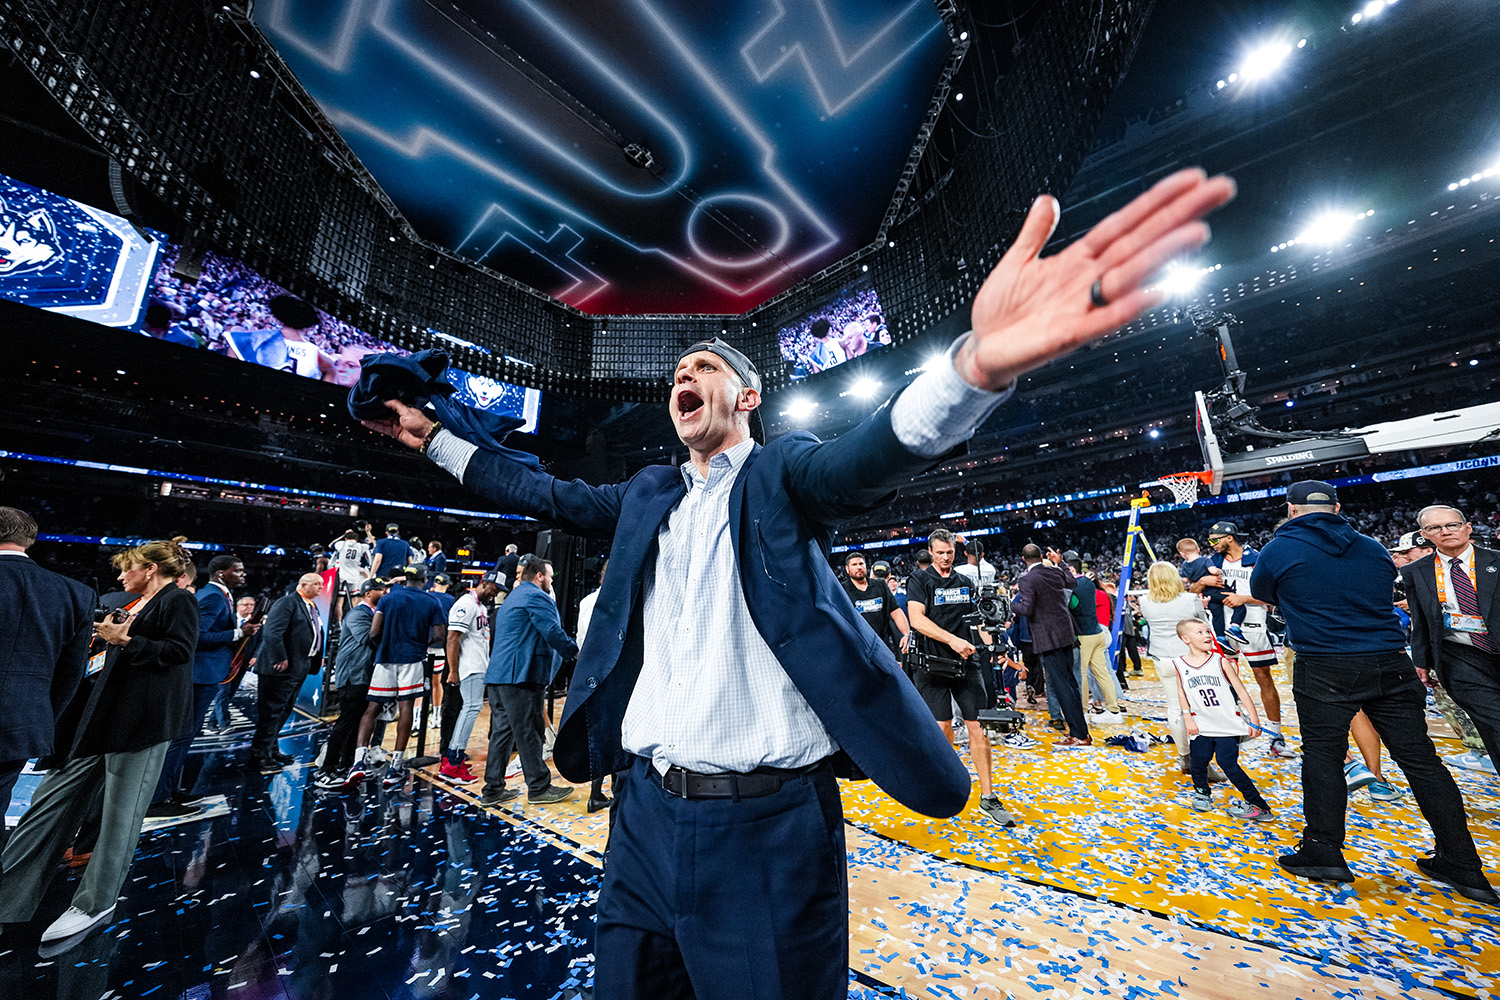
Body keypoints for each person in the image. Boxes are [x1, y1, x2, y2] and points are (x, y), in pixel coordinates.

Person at [360, 168, 1235, 996]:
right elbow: (535, 486)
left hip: (766, 832)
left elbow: (864, 459)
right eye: (678, 374)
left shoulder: (782, 476)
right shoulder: (647, 495)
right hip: (641, 825)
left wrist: (974, 370)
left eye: (705, 368)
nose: (684, 378)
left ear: (747, 399)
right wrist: (432, 437)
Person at [1251, 481, 1496, 904]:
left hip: (1325, 662)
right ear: (1338, 507)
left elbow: (1262, 592)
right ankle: (1463, 863)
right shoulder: (1371, 547)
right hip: (1389, 661)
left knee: (1323, 755)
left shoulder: (1278, 549)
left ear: (1291, 510)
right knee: (1422, 761)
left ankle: (1324, 850)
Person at [0, 537, 198, 944]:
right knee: (48, 805)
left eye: (129, 568)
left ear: (151, 569)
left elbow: (179, 652)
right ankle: (8, 898)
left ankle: (96, 902)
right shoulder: (130, 604)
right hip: (98, 718)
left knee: (120, 819)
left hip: (142, 723)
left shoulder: (177, 601)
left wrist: (123, 641)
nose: (122, 575)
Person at [0, 507, 94, 825]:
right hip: (23, 722)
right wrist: (41, 716)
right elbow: (71, 673)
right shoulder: (76, 593)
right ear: (28, 540)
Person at [149, 554, 259, 816]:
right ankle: (157, 799)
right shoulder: (212, 595)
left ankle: (169, 791)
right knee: (181, 737)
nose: (243, 575)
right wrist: (238, 633)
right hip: (200, 674)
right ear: (221, 573)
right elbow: (197, 636)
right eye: (239, 570)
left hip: (205, 673)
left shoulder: (219, 595)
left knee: (185, 737)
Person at [1403, 504, 1500, 783]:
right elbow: (1419, 618)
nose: (1445, 531)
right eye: (1435, 528)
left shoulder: (1496, 560)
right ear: (1425, 535)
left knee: (1492, 730)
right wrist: (1421, 660)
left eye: (1452, 525)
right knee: (1493, 721)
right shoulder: (1416, 571)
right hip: (1461, 656)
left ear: (1467, 527)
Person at [906, 529, 1001, 813]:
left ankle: (988, 796)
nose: (946, 557)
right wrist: (952, 640)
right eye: (940, 553)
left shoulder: (964, 582)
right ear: (931, 552)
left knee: (978, 727)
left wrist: (994, 642)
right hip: (933, 662)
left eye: (949, 552)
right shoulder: (919, 579)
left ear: (955, 552)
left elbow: (977, 621)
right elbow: (916, 620)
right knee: (943, 727)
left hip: (966, 661)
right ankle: (945, 786)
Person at [479, 555, 577, 806]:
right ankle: (539, 787)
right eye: (550, 577)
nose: (552, 581)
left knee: (502, 734)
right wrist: (576, 653)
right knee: (529, 731)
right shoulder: (535, 596)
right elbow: (552, 631)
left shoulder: (514, 596)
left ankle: (493, 789)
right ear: (539, 576)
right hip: (520, 676)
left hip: (500, 676)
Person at [1194, 522, 1295, 758]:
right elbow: (1190, 592)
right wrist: (1202, 583)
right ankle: (1232, 732)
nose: (1212, 544)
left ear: (1229, 538)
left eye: (1214, 539)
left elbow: (1277, 595)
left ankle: (1276, 736)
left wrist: (1244, 598)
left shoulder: (1258, 558)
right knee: (1224, 680)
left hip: (1252, 625)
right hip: (1219, 628)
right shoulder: (1211, 563)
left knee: (1263, 677)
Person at [353, 564, 448, 788]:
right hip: (412, 660)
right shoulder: (431, 601)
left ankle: (358, 762)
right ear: (425, 580)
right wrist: (417, 645)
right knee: (406, 709)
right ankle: (395, 766)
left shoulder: (388, 599)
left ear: (405, 579)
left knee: (372, 709)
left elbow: (374, 632)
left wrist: (385, 645)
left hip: (385, 659)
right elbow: (439, 634)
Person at [1173, 619, 1273, 821]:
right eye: (1200, 632)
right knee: (1198, 760)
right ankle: (1202, 792)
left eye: (1208, 631)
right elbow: (1181, 691)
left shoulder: (1221, 661)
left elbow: (1241, 691)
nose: (1207, 635)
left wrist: (1254, 719)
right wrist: (1187, 717)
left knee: (1228, 764)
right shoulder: (1179, 664)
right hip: (1201, 724)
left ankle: (1258, 805)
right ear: (1186, 639)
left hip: (1227, 725)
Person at [1138, 560, 1217, 777]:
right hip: (1189, 659)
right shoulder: (1190, 599)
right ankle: (1202, 761)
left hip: (1162, 658)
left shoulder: (1144, 601)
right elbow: (1202, 628)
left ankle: (1185, 757)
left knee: (1175, 708)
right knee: (1197, 709)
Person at [1012, 544, 1092, 746]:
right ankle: (1082, 733)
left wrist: (1011, 604)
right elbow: (1072, 582)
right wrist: (1060, 562)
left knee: (1062, 686)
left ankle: (1079, 735)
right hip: (1066, 634)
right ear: (1041, 556)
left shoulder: (1027, 579)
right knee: (1071, 684)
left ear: (1024, 559)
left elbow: (1027, 609)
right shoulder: (1054, 572)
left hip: (1047, 638)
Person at [313, 577, 388, 791]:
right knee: (346, 721)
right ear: (367, 594)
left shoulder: (371, 614)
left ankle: (345, 765)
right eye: (380, 589)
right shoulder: (358, 614)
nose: (384, 592)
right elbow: (369, 638)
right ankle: (325, 770)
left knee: (356, 722)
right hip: (353, 676)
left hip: (363, 675)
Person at [250, 573, 325, 775]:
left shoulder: (309, 605)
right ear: (303, 584)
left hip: (297, 668)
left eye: (322, 584)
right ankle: (260, 757)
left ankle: (271, 750)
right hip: (280, 669)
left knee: (282, 712)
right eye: (317, 584)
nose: (321, 587)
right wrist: (279, 658)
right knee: (271, 714)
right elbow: (272, 632)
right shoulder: (287, 602)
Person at [441, 572, 503, 784]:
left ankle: (452, 759)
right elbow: (452, 638)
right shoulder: (466, 604)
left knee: (470, 708)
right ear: (484, 583)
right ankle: (452, 762)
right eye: (493, 590)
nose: (494, 595)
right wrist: (453, 670)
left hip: (477, 666)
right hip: (468, 668)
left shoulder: (480, 607)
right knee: (470, 708)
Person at [1058, 550, 1122, 723]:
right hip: (1098, 633)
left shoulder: (1072, 586)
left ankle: (1083, 712)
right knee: (1102, 673)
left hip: (1084, 636)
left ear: (1071, 569)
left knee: (1081, 674)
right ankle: (1114, 711)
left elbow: (1071, 606)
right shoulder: (1088, 582)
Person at [841, 551, 910, 654]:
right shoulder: (842, 589)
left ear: (866, 566)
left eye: (861, 564)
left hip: (883, 645)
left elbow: (896, 611)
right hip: (857, 648)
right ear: (847, 569)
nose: (859, 567)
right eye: (854, 565)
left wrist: (906, 634)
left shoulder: (880, 585)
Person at [330, 528, 371, 619]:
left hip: (342, 575)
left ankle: (339, 624)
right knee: (354, 600)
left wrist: (343, 535)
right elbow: (372, 544)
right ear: (356, 539)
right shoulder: (361, 546)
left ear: (345, 538)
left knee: (339, 602)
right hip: (354, 575)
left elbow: (331, 545)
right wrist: (368, 532)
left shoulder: (341, 544)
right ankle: (351, 621)